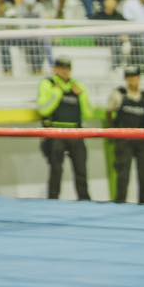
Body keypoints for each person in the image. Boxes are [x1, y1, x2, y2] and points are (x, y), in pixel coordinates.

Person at [36, 57, 92, 201]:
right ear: (55, 69)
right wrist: (57, 94)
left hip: (76, 133)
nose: (65, 71)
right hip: (55, 133)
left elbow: (88, 114)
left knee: (81, 170)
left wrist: (82, 96)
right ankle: (53, 201)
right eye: (61, 68)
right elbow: (43, 110)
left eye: (67, 68)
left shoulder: (78, 86)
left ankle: (85, 202)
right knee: (56, 170)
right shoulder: (48, 84)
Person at [107, 66, 144, 205]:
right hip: (124, 141)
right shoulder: (119, 94)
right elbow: (109, 113)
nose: (132, 80)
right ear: (126, 79)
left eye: (135, 77)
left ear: (139, 78)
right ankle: (120, 205)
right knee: (123, 176)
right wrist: (115, 132)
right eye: (129, 77)